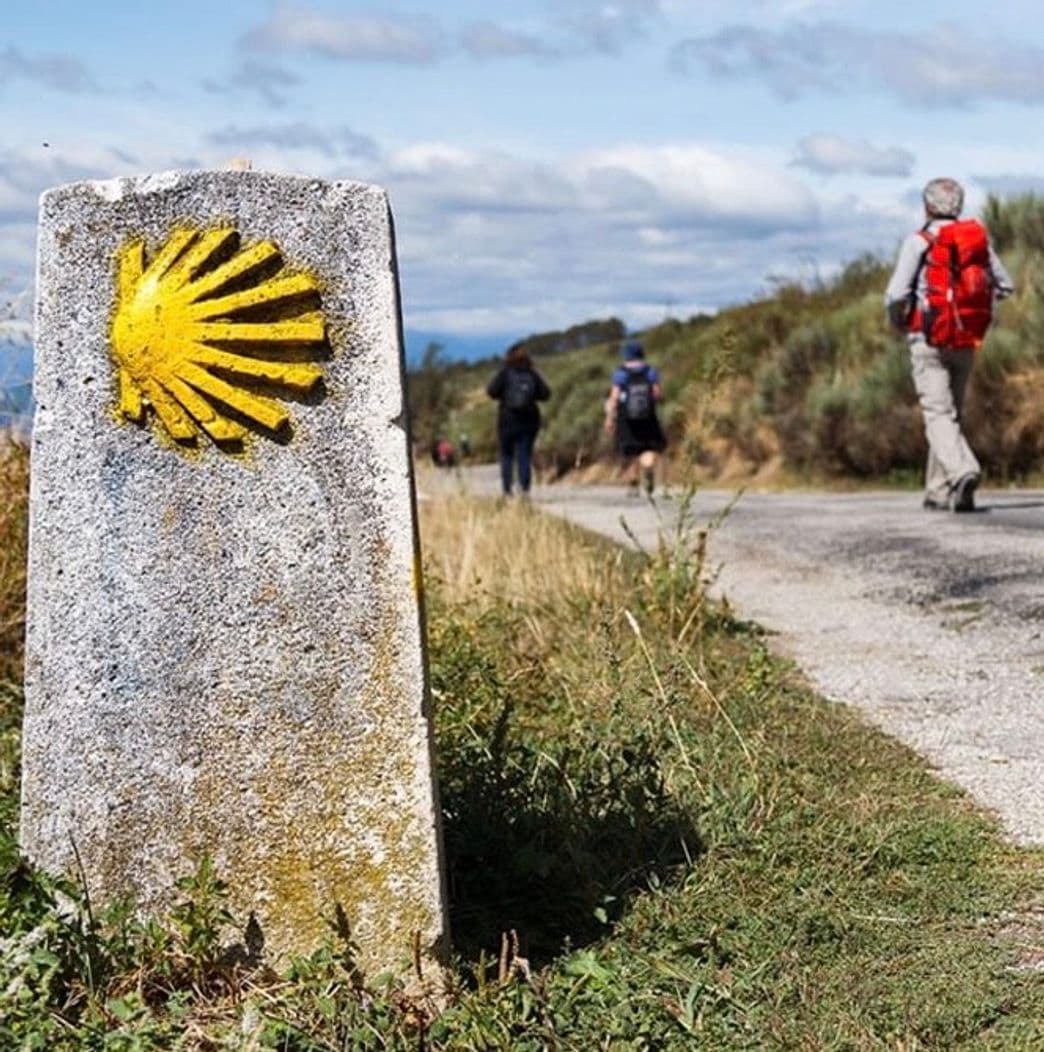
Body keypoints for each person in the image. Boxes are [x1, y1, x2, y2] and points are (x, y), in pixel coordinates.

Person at [885, 177, 1014, 512]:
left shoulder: (919, 242)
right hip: (966, 339)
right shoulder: (976, 241)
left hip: (927, 339)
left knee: (938, 414)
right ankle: (938, 490)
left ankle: (962, 471)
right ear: (958, 205)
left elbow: (896, 294)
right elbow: (1005, 284)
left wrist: (898, 321)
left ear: (927, 206)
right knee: (950, 415)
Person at [486, 345, 551, 497]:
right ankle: (525, 489)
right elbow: (546, 394)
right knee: (524, 455)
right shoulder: (532, 374)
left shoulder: (505, 373)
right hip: (529, 420)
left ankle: (507, 490)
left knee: (506, 455)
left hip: (507, 419)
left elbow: (491, 391)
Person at [604, 339, 666, 496]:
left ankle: (633, 482)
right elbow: (658, 394)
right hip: (648, 416)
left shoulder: (620, 373)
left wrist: (610, 418)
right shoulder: (650, 371)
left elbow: (614, 397)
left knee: (631, 449)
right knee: (648, 447)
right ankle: (648, 468)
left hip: (626, 416)